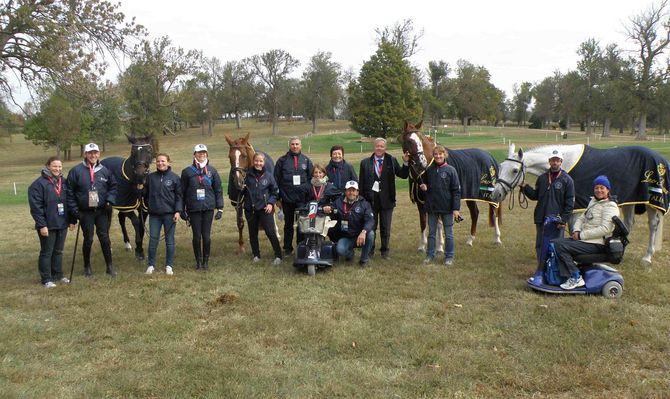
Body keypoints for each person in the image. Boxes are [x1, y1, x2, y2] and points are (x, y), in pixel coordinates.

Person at [552, 175, 620, 290]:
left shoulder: (610, 206)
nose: (599, 190)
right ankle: (562, 274)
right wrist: (576, 230)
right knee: (554, 242)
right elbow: (581, 218)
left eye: (602, 187)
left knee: (560, 246)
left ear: (608, 189)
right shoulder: (593, 201)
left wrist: (581, 235)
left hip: (597, 244)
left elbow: (605, 229)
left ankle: (576, 277)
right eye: (596, 188)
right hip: (585, 239)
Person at [66, 143, 117, 277]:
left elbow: (113, 187)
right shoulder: (76, 171)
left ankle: (109, 266)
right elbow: (69, 193)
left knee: (104, 238)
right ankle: (87, 266)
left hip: (101, 211)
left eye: (95, 153)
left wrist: (109, 201)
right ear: (85, 154)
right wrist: (75, 211)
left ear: (99, 154)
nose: (93, 155)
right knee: (88, 239)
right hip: (85, 212)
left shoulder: (105, 170)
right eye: (90, 153)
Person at [520, 148, 575, 268]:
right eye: (552, 160)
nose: (555, 163)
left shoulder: (567, 180)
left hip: (556, 221)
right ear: (549, 161)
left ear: (561, 162)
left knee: (555, 246)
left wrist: (564, 220)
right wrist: (525, 188)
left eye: (557, 160)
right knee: (540, 245)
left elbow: (570, 203)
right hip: (541, 217)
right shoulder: (542, 178)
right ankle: (541, 269)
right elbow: (535, 196)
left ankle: (554, 270)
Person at [358, 137, 409, 259]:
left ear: (385, 148)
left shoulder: (391, 160)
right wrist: (361, 200)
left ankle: (385, 251)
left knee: (385, 228)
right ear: (374, 147)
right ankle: (369, 250)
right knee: (371, 227)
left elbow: (403, 174)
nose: (379, 148)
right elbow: (361, 183)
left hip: (387, 200)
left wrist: (406, 163)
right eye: (377, 146)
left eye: (382, 146)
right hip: (371, 201)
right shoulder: (365, 163)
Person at [28, 156, 75, 287]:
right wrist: (42, 225)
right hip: (47, 225)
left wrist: (71, 220)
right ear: (48, 166)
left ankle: (58, 275)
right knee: (47, 252)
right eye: (54, 166)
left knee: (59, 251)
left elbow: (70, 202)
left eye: (59, 166)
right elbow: (36, 208)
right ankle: (46, 279)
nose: (57, 169)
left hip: (62, 223)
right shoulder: (38, 184)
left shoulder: (64, 182)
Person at [181, 144, 224, 271]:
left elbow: (218, 190)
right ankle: (198, 262)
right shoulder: (187, 172)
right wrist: (182, 210)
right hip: (193, 208)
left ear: (207, 154)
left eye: (204, 152)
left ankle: (206, 261)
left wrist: (220, 208)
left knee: (206, 236)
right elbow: (182, 192)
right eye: (199, 153)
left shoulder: (212, 171)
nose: (202, 155)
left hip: (208, 208)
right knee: (196, 236)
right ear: (194, 154)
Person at [419, 145, 461, 266]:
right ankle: (430, 255)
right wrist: (424, 187)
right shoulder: (429, 170)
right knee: (431, 233)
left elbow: (456, 191)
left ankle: (449, 256)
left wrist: (456, 208)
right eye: (436, 154)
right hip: (432, 207)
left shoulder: (451, 170)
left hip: (447, 208)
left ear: (444, 155)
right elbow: (425, 185)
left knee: (448, 234)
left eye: (440, 154)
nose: (438, 156)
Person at [274, 136, 313, 256]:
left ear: (300, 146)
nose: (295, 146)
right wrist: (277, 198)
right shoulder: (281, 161)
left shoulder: (306, 161)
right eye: (293, 144)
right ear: (289, 146)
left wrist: (304, 190)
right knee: (288, 225)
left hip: (302, 199)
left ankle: (301, 247)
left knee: (302, 224)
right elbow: (276, 180)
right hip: (287, 198)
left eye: (297, 144)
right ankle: (287, 248)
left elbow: (311, 180)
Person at [145, 153, 182, 275]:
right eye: (158, 161)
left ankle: (169, 265)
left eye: (163, 161)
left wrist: (178, 211)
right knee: (153, 240)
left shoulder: (175, 178)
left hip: (169, 215)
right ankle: (150, 265)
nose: (160, 163)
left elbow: (179, 197)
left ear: (168, 162)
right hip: (154, 215)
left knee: (169, 240)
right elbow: (145, 194)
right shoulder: (150, 178)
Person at [243, 152, 283, 265]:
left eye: (260, 161)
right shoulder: (247, 175)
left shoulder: (269, 176)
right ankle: (256, 255)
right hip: (250, 210)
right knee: (252, 233)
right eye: (256, 161)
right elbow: (241, 191)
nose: (258, 163)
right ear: (253, 161)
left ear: (264, 162)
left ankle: (278, 255)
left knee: (270, 232)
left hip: (265, 209)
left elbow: (275, 192)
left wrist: (270, 203)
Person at [326, 180, 375, 266]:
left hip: (360, 236)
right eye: (349, 190)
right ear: (345, 191)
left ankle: (364, 259)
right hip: (346, 237)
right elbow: (331, 208)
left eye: (353, 190)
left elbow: (370, 220)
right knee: (340, 250)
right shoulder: (338, 202)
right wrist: (327, 208)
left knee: (370, 234)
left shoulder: (365, 204)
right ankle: (350, 254)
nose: (351, 193)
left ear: (357, 192)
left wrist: (363, 232)